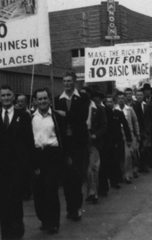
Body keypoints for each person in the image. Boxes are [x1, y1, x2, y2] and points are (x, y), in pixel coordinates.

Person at [0, 85, 34, 239]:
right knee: (3, 205)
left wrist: (27, 166)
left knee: (15, 202)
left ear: (13, 97)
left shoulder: (24, 116)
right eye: (3, 95)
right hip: (0, 169)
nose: (6, 98)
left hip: (17, 168)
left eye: (9, 95)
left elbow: (29, 142)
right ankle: (6, 235)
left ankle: (17, 233)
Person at [54, 70, 90, 221]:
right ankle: (70, 208)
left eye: (69, 81)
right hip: (64, 143)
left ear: (74, 81)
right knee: (67, 179)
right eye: (65, 81)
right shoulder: (57, 99)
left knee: (77, 176)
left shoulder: (83, 97)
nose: (67, 83)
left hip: (78, 143)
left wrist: (66, 115)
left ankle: (76, 207)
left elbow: (82, 117)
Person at [31, 88, 65, 235]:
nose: (43, 101)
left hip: (53, 155)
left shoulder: (57, 117)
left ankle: (53, 223)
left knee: (51, 190)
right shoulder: (30, 118)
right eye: (40, 99)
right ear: (35, 101)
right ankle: (44, 219)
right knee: (39, 191)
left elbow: (63, 137)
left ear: (50, 100)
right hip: (38, 156)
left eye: (45, 98)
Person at [85, 89, 106, 204]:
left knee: (93, 167)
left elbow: (104, 126)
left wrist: (95, 135)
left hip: (94, 142)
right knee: (86, 169)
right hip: (82, 142)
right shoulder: (80, 108)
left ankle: (93, 193)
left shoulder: (99, 108)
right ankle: (89, 192)